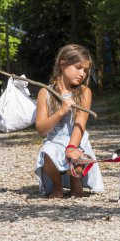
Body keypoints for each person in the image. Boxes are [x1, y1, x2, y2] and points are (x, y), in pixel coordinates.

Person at [35, 44, 104, 198]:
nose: (82, 74)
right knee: (48, 152)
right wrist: (61, 112)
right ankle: (57, 185)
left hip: (76, 139)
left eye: (85, 70)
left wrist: (72, 147)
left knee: (77, 158)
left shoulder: (84, 92)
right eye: (78, 67)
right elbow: (41, 129)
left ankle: (75, 178)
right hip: (54, 140)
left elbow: (80, 122)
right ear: (63, 63)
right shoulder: (45, 92)